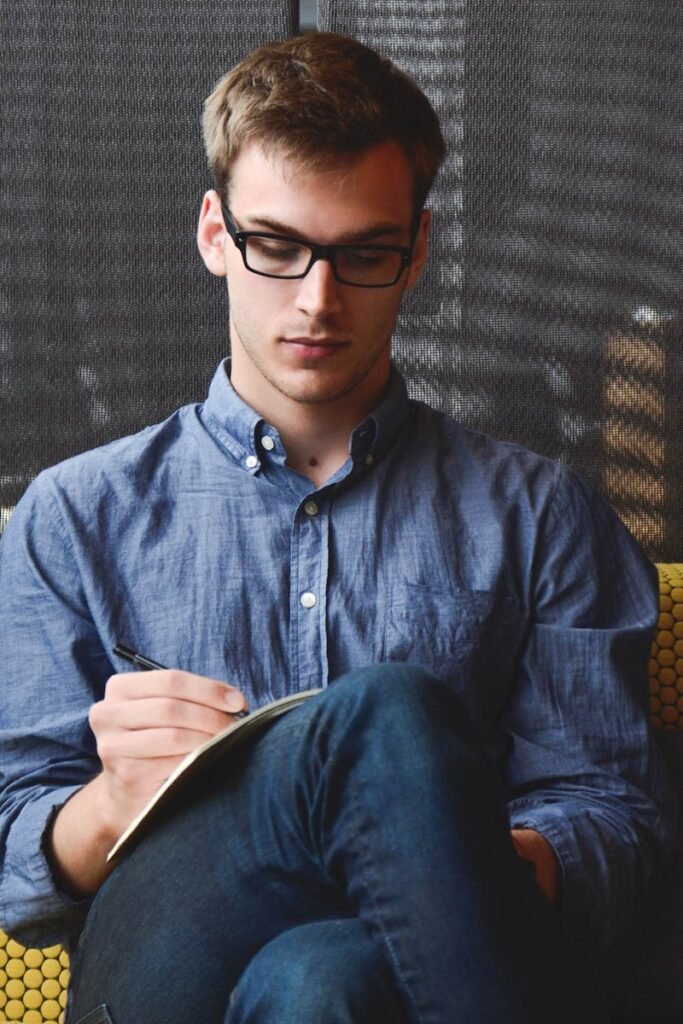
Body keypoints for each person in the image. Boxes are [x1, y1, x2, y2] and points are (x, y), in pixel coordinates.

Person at [0, 31, 675, 1024]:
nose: (316, 301)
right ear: (214, 235)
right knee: (383, 714)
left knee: (326, 978)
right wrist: (108, 799)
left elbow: (616, 830)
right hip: (159, 972)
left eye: (362, 254)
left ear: (417, 253)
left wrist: (437, 860)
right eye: (275, 246)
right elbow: (16, 872)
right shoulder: (72, 515)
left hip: (389, 973)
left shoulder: (540, 515)